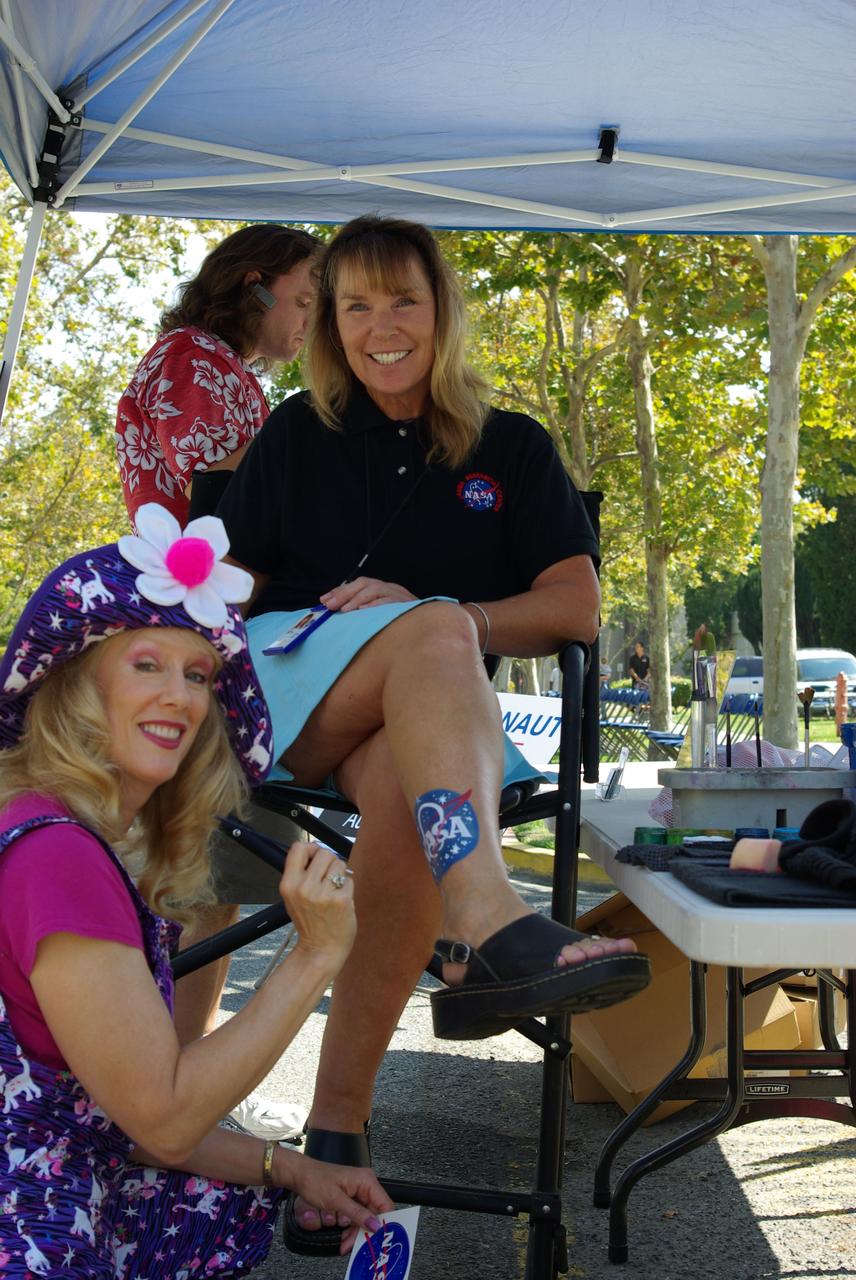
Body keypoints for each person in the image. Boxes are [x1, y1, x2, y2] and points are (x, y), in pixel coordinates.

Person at [215, 214, 651, 1255]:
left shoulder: (511, 446)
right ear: (328, 322)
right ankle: (488, 921)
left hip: (428, 726)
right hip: (296, 699)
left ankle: (334, 1144)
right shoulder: (292, 432)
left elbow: (575, 607)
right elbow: (222, 589)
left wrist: (442, 614)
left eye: (400, 299)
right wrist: (391, 622)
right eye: (353, 304)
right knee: (431, 636)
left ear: (441, 310)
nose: (379, 326)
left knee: (413, 796)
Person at [0, 504, 392, 1276]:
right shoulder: (57, 858)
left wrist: (293, 1168)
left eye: (199, 676)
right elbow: (166, 1119)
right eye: (146, 665)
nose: (180, 698)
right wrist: (313, 955)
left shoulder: (54, 831)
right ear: (78, 685)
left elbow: (128, 1111)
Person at [115, 224, 319, 1141]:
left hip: (192, 625)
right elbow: (229, 512)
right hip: (201, 629)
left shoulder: (202, 365)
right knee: (203, 871)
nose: (314, 320)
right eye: (309, 296)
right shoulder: (202, 367)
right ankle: (170, 1094)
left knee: (205, 873)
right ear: (255, 284)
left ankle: (173, 1087)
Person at [116, 222, 318, 528]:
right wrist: (299, 429)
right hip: (200, 568)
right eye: (304, 303)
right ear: (254, 287)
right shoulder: (191, 356)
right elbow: (210, 491)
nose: (312, 321)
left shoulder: (219, 362)